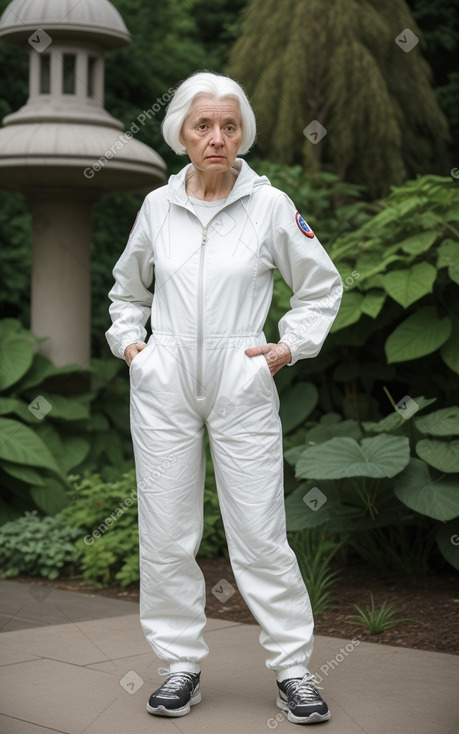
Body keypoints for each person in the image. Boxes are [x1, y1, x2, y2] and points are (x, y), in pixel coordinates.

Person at [105, 70, 342, 725]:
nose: (217, 137)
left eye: (229, 125)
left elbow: (320, 287)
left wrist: (285, 348)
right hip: (165, 382)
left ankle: (294, 671)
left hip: (241, 377)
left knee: (261, 534)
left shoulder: (270, 207)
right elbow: (127, 293)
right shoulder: (157, 207)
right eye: (203, 125)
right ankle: (180, 667)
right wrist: (136, 350)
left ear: (243, 133)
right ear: (181, 132)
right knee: (165, 534)